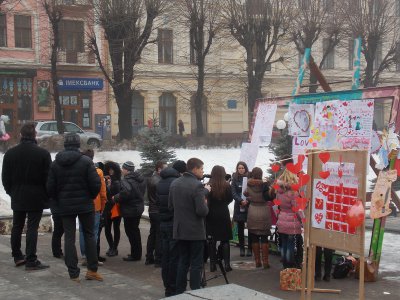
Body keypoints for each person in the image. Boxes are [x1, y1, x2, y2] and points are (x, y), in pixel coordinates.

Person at [47, 133, 102, 282]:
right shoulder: (86, 161)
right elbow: (96, 184)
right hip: (85, 205)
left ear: (65, 145)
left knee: (69, 238)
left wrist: (59, 199)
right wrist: (89, 196)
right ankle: (92, 270)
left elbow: (50, 187)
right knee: (90, 235)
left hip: (65, 206)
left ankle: (73, 273)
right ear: (78, 145)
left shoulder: (56, 163)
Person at [1, 123, 51, 270]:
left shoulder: (10, 153)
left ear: (21, 135)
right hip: (36, 196)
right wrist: (46, 194)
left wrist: (12, 191)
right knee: (32, 228)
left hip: (18, 195)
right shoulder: (42, 154)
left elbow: (5, 178)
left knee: (17, 226)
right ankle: (31, 259)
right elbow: (48, 178)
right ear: (34, 135)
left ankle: (17, 256)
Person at [169, 158, 209, 294]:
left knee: (183, 262)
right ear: (195, 169)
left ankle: (179, 292)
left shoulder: (175, 183)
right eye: (202, 169)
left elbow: (171, 206)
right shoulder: (197, 185)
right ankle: (195, 292)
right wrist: (205, 201)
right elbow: (202, 211)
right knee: (196, 264)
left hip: (180, 230)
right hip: (195, 232)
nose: (203, 171)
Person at [157, 160, 187, 297]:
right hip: (174, 222)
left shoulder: (160, 181)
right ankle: (174, 287)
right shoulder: (176, 183)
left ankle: (167, 287)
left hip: (162, 222)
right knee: (175, 257)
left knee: (166, 256)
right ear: (180, 172)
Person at [112, 161, 145, 261]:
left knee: (130, 231)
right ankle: (137, 253)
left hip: (130, 209)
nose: (122, 171)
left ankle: (135, 255)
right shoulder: (140, 178)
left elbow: (126, 193)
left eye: (123, 169)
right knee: (135, 230)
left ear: (127, 170)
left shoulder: (126, 180)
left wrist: (115, 197)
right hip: (138, 207)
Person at [79, 150, 107, 266]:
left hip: (81, 205)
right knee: (93, 232)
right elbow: (102, 192)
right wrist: (103, 207)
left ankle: (84, 255)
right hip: (95, 206)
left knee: (82, 231)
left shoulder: (78, 171)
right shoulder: (99, 172)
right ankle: (92, 257)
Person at [206, 165, 233, 272]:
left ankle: (213, 265)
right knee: (225, 240)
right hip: (223, 213)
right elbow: (230, 199)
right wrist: (223, 204)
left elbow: (206, 199)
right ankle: (226, 264)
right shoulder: (227, 185)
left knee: (212, 240)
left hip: (211, 213)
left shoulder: (209, 185)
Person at [244, 167, 272, 269]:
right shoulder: (265, 185)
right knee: (264, 238)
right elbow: (270, 194)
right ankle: (265, 262)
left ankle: (257, 261)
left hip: (253, 211)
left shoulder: (248, 184)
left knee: (254, 237)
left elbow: (245, 193)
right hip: (264, 210)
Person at [275, 169, 302, 269]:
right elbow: (297, 210)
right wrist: (302, 221)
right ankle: (290, 265)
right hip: (292, 222)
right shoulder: (293, 193)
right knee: (291, 245)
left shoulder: (279, 192)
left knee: (284, 244)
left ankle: (284, 264)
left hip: (281, 220)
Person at [145, 161, 167, 266]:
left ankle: (149, 257)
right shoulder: (159, 181)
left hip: (152, 210)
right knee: (159, 235)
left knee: (152, 234)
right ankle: (158, 259)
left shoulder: (151, 179)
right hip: (158, 210)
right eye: (165, 168)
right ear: (159, 169)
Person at [231, 161, 252, 257]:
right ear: (237, 169)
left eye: (243, 168)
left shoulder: (250, 178)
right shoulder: (234, 178)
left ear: (245, 168)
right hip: (239, 205)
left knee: (250, 227)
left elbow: (252, 191)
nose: (241, 170)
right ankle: (242, 248)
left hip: (248, 204)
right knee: (240, 228)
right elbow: (233, 192)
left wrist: (247, 200)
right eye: (239, 168)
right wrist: (240, 201)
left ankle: (250, 248)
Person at [103, 161, 122, 257]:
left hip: (115, 207)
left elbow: (117, 194)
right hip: (107, 207)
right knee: (107, 228)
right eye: (109, 170)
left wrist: (109, 186)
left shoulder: (118, 181)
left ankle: (115, 248)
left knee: (116, 228)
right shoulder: (105, 180)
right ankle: (111, 246)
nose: (110, 171)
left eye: (112, 170)